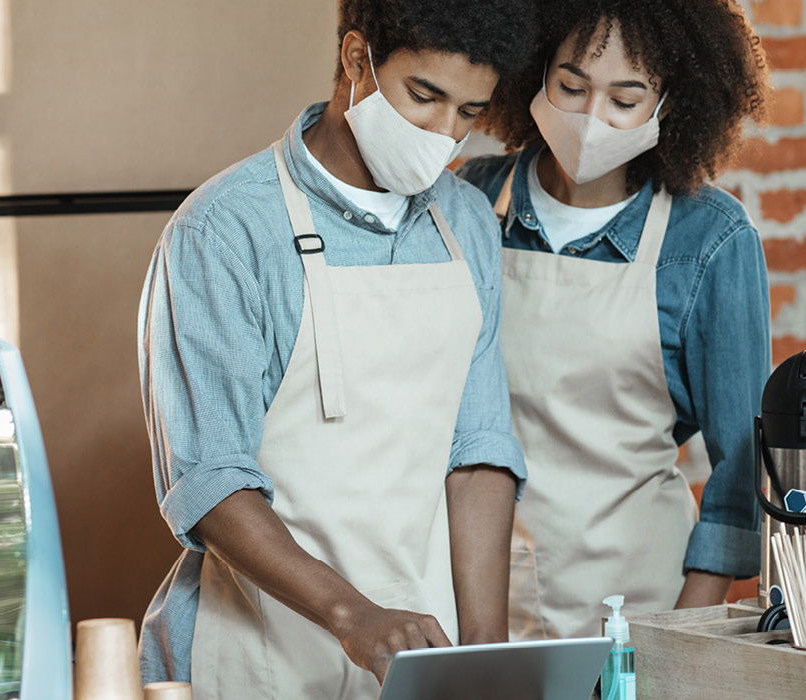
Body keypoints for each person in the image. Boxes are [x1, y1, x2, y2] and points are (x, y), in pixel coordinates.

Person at [137, 1, 534, 696]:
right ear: (357, 60)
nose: (444, 135)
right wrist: (353, 614)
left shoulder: (466, 223)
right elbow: (207, 480)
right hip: (261, 653)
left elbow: (478, 454)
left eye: (468, 112)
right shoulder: (224, 230)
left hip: (419, 652)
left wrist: (484, 659)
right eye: (424, 96)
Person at [456, 0, 772, 639]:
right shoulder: (468, 202)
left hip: (640, 601)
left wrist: (680, 641)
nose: (590, 118)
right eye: (570, 86)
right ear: (535, 70)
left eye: (626, 100)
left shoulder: (707, 237)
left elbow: (741, 467)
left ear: (671, 104)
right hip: (473, 588)